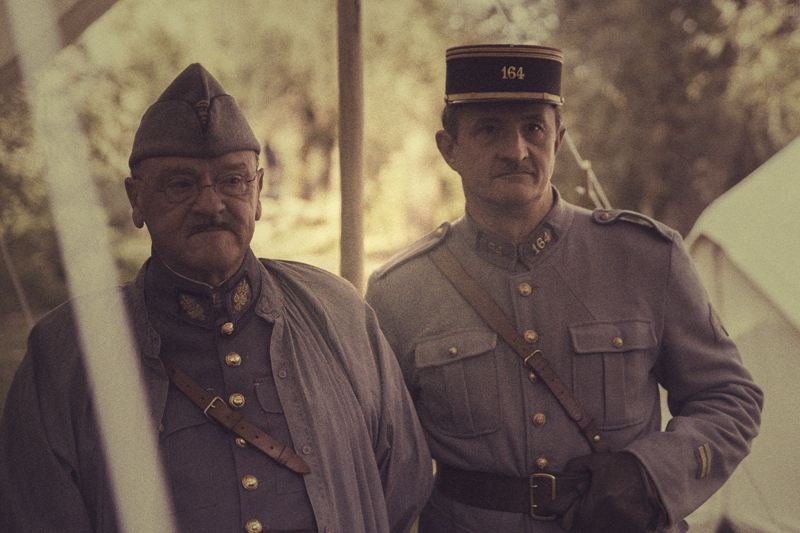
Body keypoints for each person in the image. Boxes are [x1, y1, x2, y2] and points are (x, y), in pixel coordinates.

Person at [0, 63, 433, 533]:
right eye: (181, 184)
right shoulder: (65, 355)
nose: (211, 203)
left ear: (259, 191)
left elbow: (400, 488)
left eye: (233, 180)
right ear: (136, 198)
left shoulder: (339, 315)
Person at [365, 44, 763, 533]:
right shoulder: (399, 293)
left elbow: (728, 395)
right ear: (449, 149)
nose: (516, 150)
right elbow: (375, 457)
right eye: (490, 129)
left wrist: (650, 475)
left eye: (533, 127)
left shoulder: (645, 258)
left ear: (558, 140)